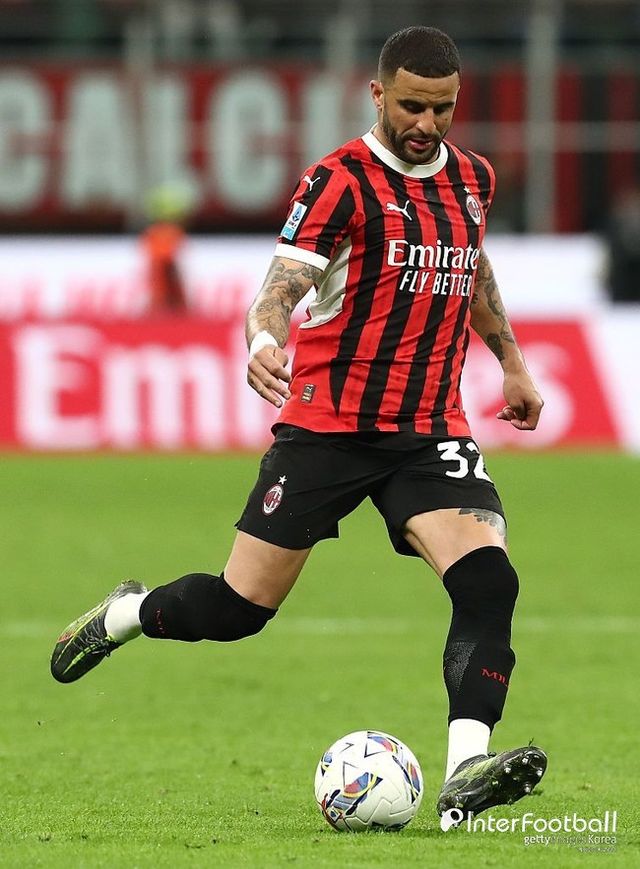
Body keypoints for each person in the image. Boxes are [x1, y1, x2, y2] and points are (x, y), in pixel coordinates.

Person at [51, 26, 547, 822]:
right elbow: (282, 285)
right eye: (411, 106)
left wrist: (512, 362)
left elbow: (473, 267)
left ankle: (467, 768)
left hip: (428, 429)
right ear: (378, 94)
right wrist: (263, 339)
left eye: (442, 108)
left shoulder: (472, 180)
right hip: (328, 426)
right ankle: (126, 613)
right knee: (239, 608)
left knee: (489, 581)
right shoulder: (339, 180)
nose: (426, 124)